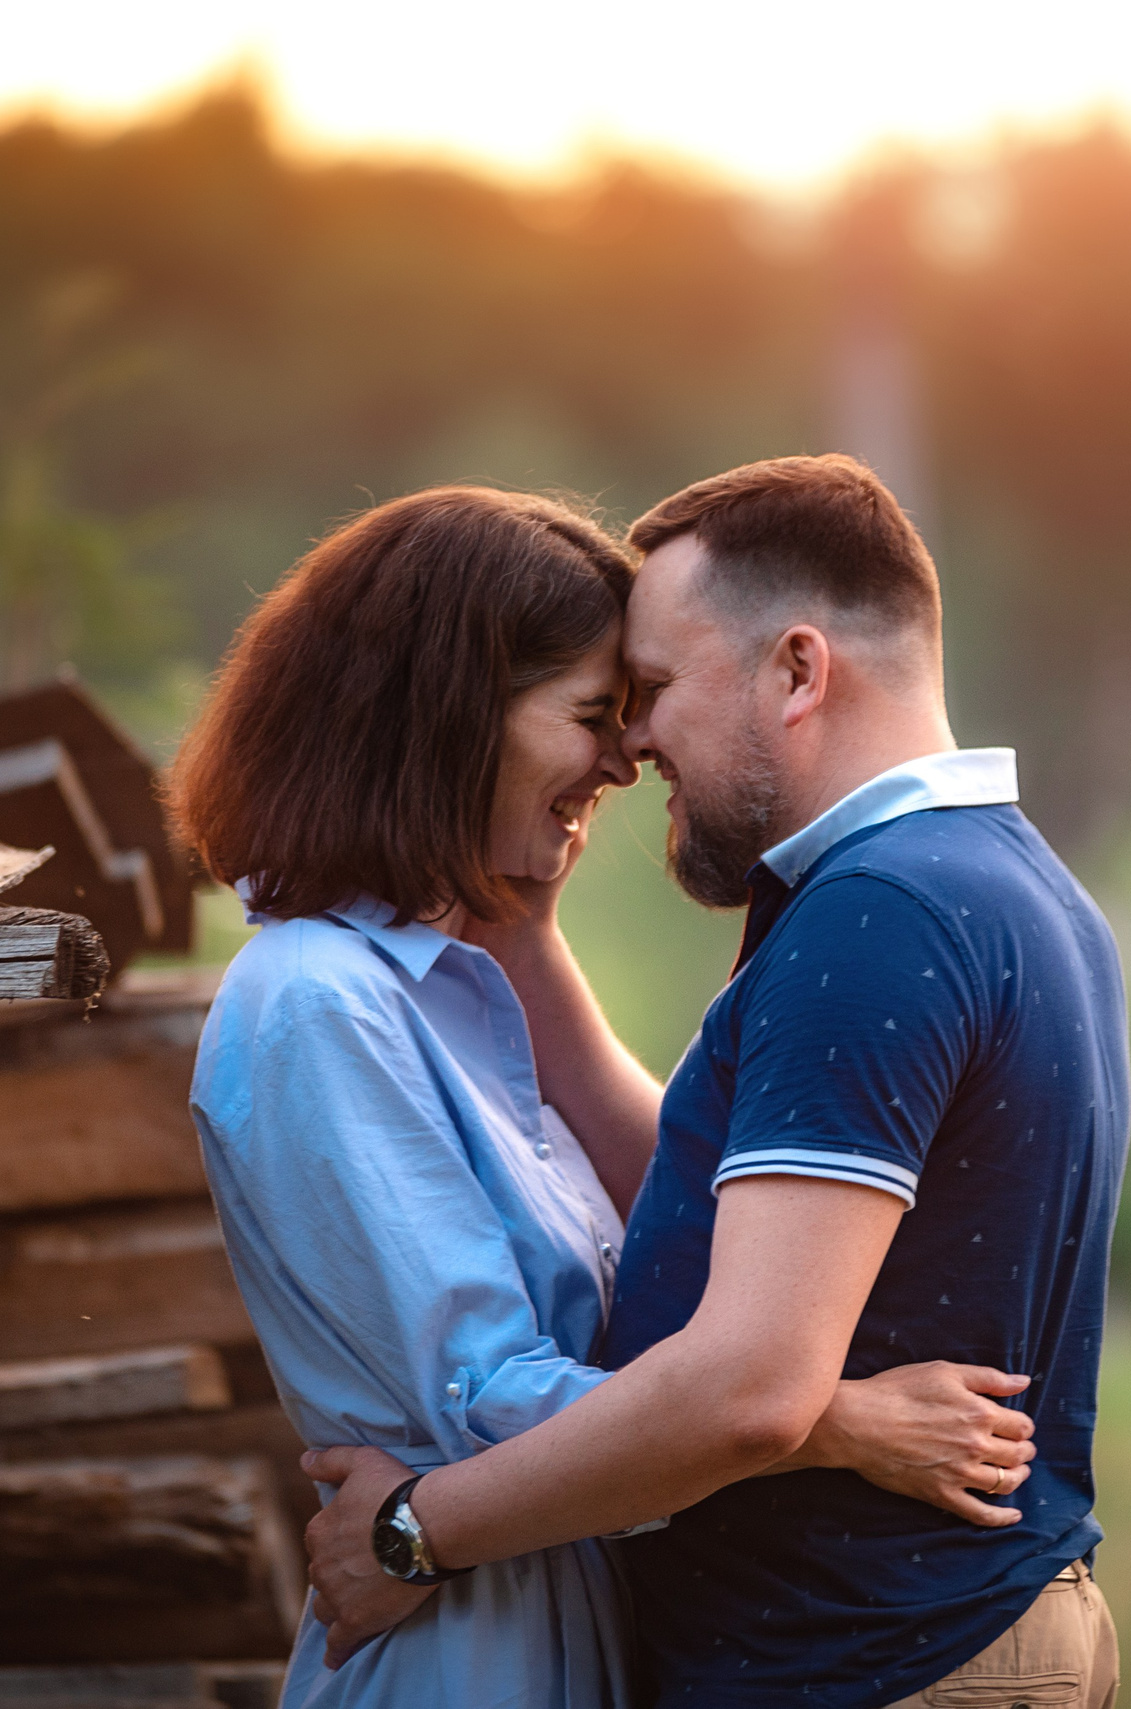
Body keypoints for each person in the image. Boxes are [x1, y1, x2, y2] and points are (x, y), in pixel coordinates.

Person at [169, 485, 1045, 1709]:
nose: (627, 757)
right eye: (592, 713)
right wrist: (832, 1421)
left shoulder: (457, 992)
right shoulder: (317, 1003)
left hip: (547, 1598)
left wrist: (527, 935)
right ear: (449, 718)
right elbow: (480, 1395)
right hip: (462, 1644)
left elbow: (664, 1234)